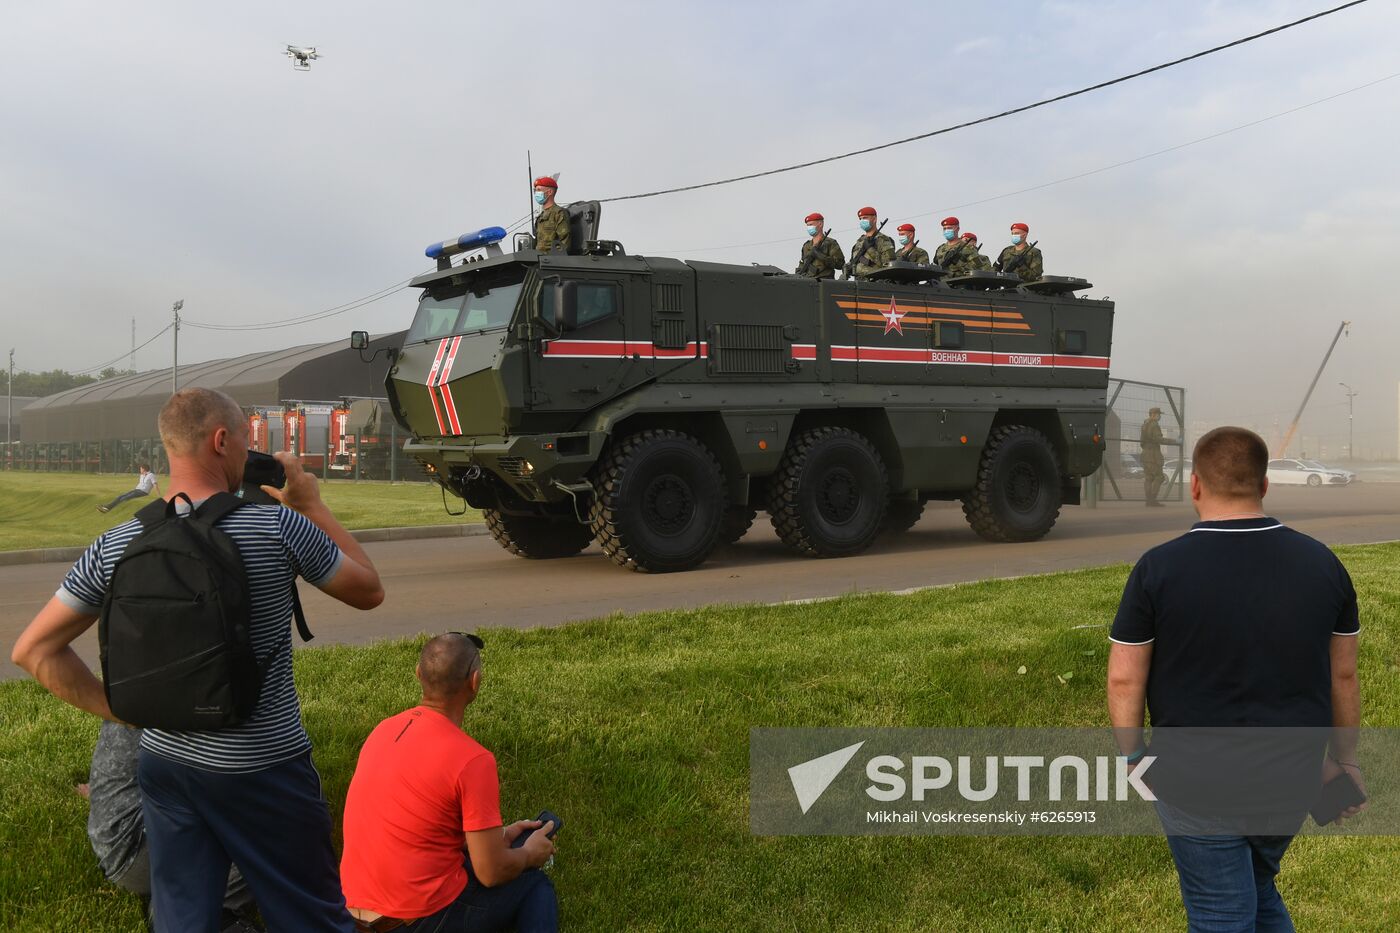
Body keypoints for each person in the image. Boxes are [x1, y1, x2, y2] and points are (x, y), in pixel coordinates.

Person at [11, 387, 385, 933]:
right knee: (309, 914)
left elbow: (33, 651)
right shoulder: (277, 528)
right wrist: (311, 503)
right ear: (221, 440)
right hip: (264, 766)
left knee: (184, 919)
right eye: (245, 441)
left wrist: (125, 713)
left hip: (165, 768)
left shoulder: (117, 543)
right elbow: (369, 590)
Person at [1107, 426, 1364, 932]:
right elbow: (1344, 676)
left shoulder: (1157, 569)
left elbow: (1123, 681)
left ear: (1195, 486)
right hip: (1292, 778)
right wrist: (1345, 759)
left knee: (1220, 913)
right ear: (1264, 485)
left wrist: (1134, 757)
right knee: (1256, 890)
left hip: (1194, 784)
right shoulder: (1323, 564)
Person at [341, 633, 559, 933]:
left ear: (419, 674)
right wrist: (526, 855)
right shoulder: (474, 760)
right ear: (475, 682)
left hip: (354, 913)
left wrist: (503, 836)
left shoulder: (383, 730)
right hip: (413, 920)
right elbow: (491, 873)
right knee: (534, 884)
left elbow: (420, 823)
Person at [78, 722, 259, 932]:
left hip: (115, 834)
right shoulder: (205, 698)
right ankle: (182, 906)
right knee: (278, 832)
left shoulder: (134, 691)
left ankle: (180, 900)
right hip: (138, 844)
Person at [848, 206, 895, 279]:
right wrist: (848, 267)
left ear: (874, 219)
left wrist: (870, 252)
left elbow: (889, 266)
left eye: (865, 218)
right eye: (860, 219)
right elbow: (853, 261)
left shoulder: (882, 240)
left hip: (875, 284)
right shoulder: (859, 242)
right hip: (858, 283)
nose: (862, 221)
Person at [795, 212, 844, 279]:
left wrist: (820, 255)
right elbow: (802, 264)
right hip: (808, 281)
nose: (809, 228)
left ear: (820, 224)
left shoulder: (830, 243)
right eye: (808, 225)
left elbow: (840, 264)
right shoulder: (806, 246)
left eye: (811, 225)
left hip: (824, 281)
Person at [532, 177, 570, 253]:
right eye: (535, 191)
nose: (536, 193)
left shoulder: (559, 213)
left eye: (539, 190)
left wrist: (554, 258)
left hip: (551, 261)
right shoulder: (541, 217)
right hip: (538, 259)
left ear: (549, 192)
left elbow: (565, 242)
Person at [1140, 407, 1167, 507]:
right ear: (1154, 414)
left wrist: (1147, 448)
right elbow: (1159, 439)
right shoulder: (1154, 425)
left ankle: (1148, 500)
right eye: (1159, 414)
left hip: (1145, 454)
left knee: (1148, 478)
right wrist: (1174, 441)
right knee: (1159, 477)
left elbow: (1142, 442)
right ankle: (1152, 500)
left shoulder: (1144, 425)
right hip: (1153, 456)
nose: (1159, 416)